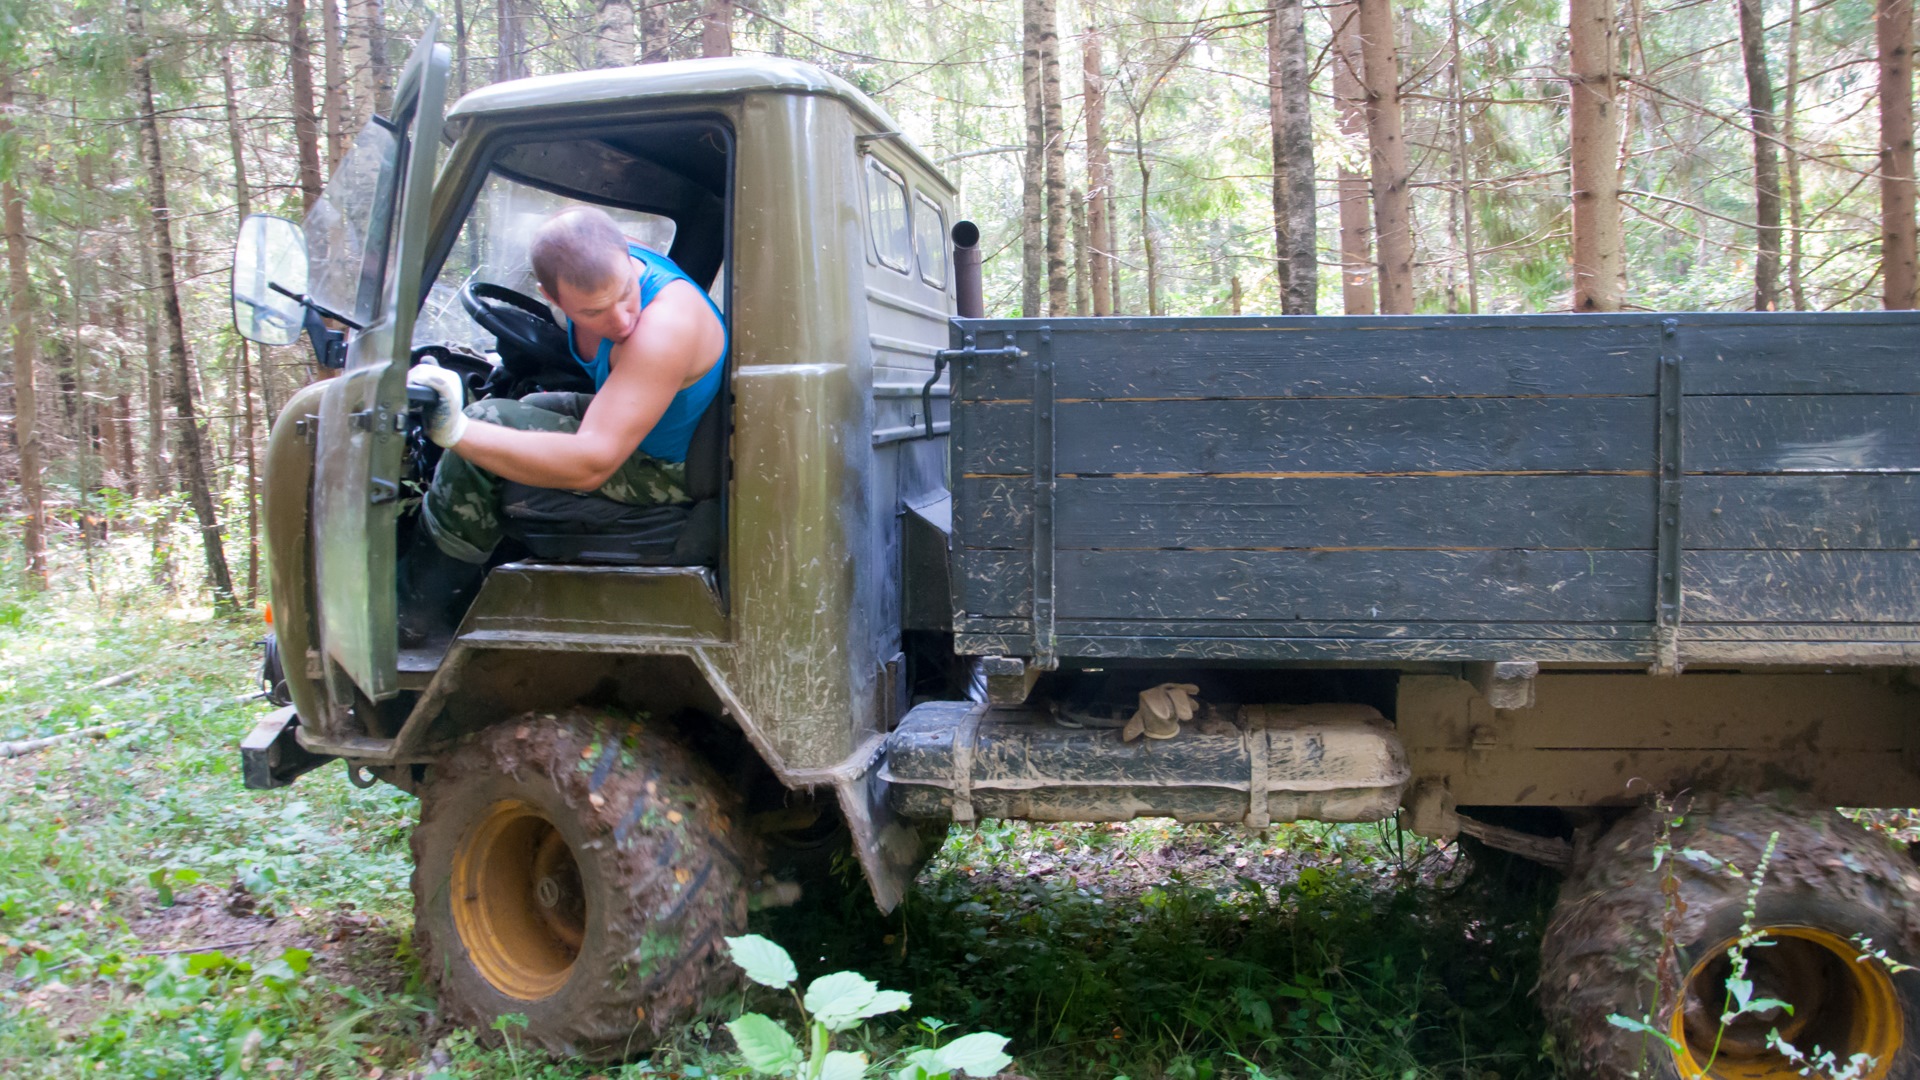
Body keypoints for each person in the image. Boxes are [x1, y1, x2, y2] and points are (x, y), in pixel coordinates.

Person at [398, 206, 727, 642]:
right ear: (552, 299)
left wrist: (455, 432)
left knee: (480, 430)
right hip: (664, 432)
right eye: (594, 312)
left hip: (670, 467)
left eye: (626, 294)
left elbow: (593, 463)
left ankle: (412, 611)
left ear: (627, 255)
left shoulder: (664, 325)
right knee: (525, 403)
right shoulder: (616, 271)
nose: (623, 321)